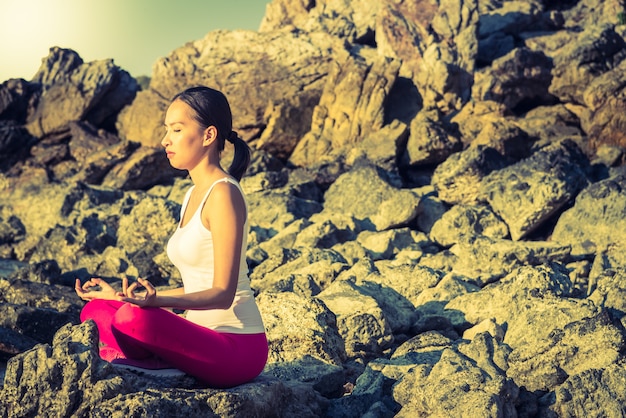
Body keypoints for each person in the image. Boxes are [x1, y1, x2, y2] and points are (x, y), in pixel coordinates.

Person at [75, 86, 267, 388]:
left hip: (236, 346)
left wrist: (157, 303)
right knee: (97, 309)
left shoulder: (224, 194)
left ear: (208, 135)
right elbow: (195, 286)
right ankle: (157, 362)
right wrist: (127, 297)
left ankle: (151, 362)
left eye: (177, 129)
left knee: (130, 319)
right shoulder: (192, 193)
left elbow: (223, 292)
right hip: (197, 336)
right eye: (167, 130)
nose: (166, 140)